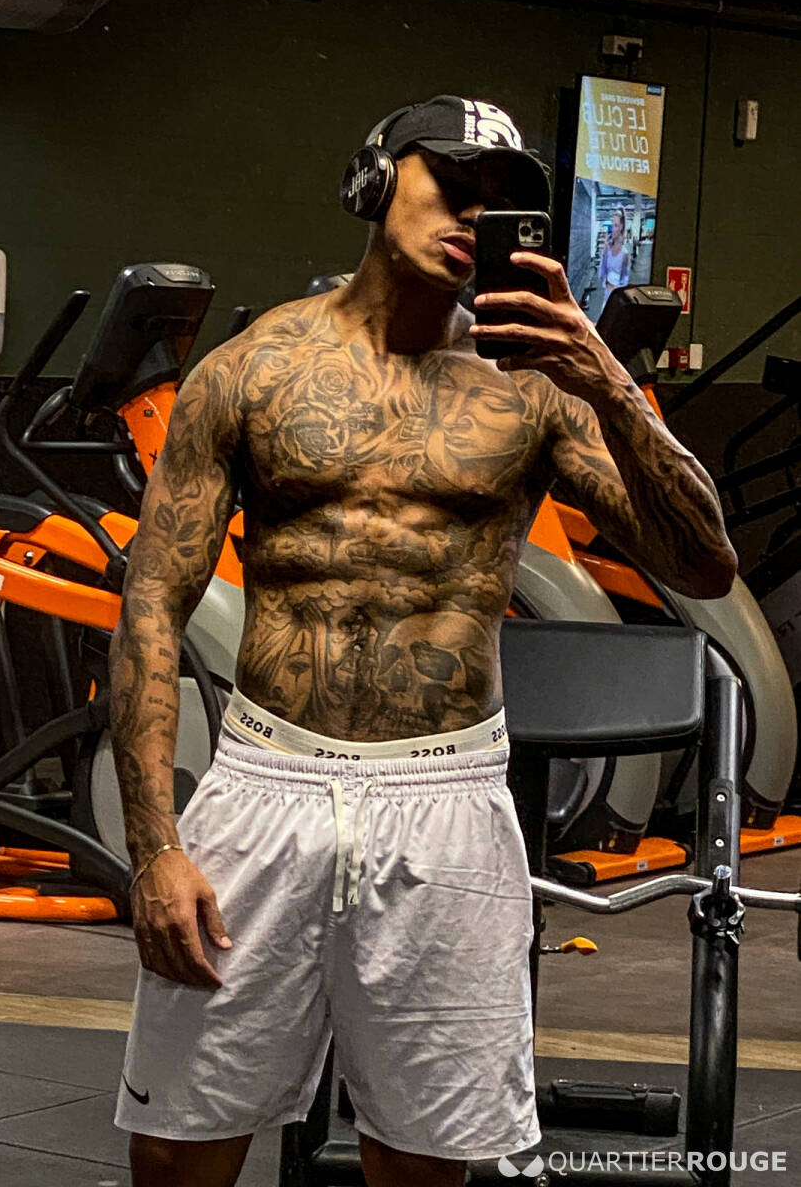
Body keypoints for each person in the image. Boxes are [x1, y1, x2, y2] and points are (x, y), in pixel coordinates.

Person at [109, 94, 737, 1187]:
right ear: (373, 179)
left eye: (499, 200)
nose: (473, 214)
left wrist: (606, 377)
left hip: (445, 795)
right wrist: (156, 847)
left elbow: (704, 565)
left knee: (425, 1157)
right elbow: (154, 601)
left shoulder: (535, 386)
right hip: (265, 783)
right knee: (177, 1144)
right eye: (453, 183)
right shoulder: (254, 369)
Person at [598, 205, 630, 302]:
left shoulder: (624, 254)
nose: (613, 229)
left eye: (615, 225)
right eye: (612, 225)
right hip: (606, 296)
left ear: (621, 227)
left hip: (617, 298)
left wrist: (616, 289)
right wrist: (604, 254)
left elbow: (625, 279)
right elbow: (600, 275)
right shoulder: (608, 250)